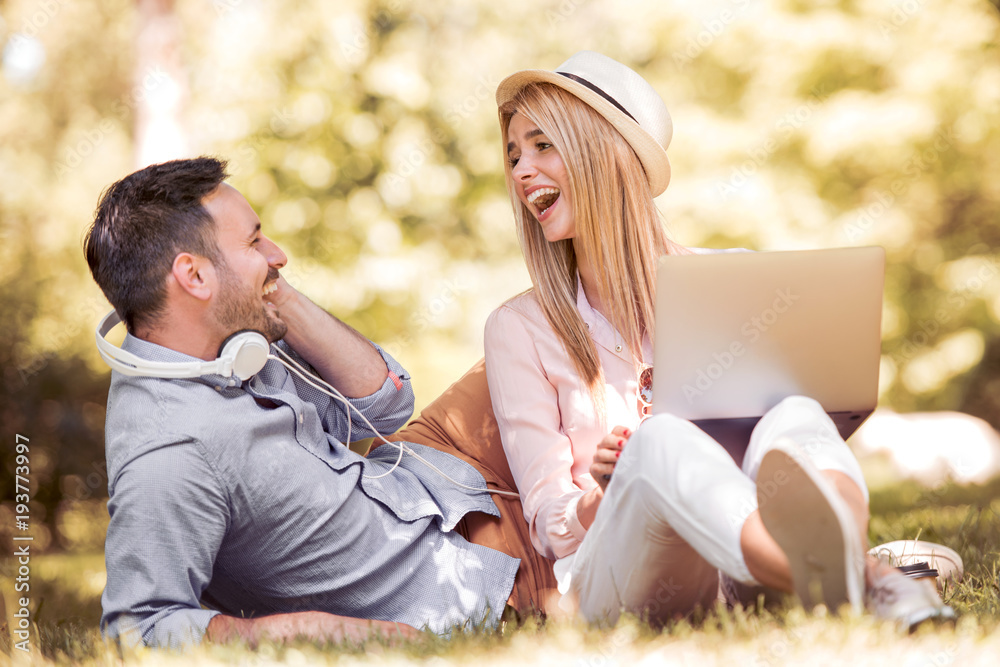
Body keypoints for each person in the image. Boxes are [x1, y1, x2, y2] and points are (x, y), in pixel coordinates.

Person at [483, 51, 954, 629]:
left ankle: (833, 563)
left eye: (541, 145)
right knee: (658, 442)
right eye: (512, 155)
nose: (521, 171)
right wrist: (603, 491)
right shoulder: (518, 328)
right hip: (615, 581)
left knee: (798, 412)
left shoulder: (732, 276)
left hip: (733, 569)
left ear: (604, 151)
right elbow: (549, 524)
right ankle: (876, 580)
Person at [85, 157, 534, 649]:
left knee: (536, 334)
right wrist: (289, 630)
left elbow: (386, 403)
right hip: (475, 576)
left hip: (440, 483)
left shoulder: (236, 342)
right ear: (193, 276)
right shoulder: (170, 451)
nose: (278, 253)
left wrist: (269, 288)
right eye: (255, 241)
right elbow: (135, 627)